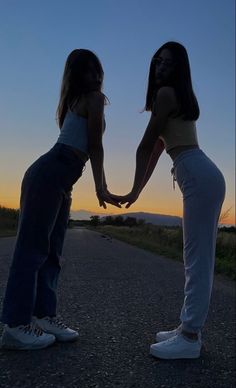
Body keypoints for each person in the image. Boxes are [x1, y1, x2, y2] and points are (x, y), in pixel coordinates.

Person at [112, 41, 226, 359]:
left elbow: (144, 146)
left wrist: (132, 192)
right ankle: (187, 328)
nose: (161, 67)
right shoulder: (171, 99)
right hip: (200, 176)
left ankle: (190, 337)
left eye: (169, 64)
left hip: (199, 178)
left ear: (180, 70)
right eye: (158, 61)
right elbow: (157, 151)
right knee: (195, 257)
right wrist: (138, 191)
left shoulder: (165, 95)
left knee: (197, 259)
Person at [0, 49, 120, 350]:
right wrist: (100, 187)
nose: (95, 76)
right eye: (87, 71)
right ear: (75, 75)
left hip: (61, 179)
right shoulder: (91, 100)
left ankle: (43, 315)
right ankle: (15, 325)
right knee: (32, 249)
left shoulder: (77, 102)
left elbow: (87, 147)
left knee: (52, 251)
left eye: (97, 70)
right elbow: (94, 145)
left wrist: (98, 185)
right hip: (51, 172)